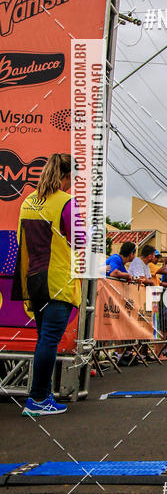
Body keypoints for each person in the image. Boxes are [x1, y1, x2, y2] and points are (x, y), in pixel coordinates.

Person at [12, 154, 80, 416]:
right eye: (73, 178)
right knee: (49, 340)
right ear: (67, 176)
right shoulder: (66, 202)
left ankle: (42, 395)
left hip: (33, 279)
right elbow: (80, 241)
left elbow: (23, 238)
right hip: (57, 279)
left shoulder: (29, 201)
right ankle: (38, 399)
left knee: (44, 339)